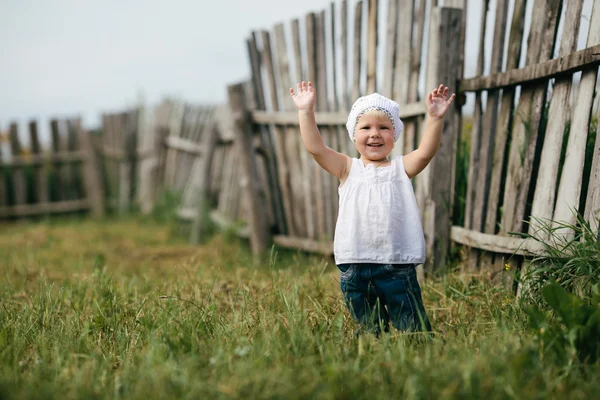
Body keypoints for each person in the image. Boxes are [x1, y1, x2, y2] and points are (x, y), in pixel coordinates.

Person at [289, 81, 455, 334]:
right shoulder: (347, 168)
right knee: (369, 328)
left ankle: (418, 352)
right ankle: (373, 354)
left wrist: (434, 118)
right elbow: (316, 148)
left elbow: (425, 153)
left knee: (414, 328)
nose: (375, 133)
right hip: (354, 264)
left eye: (384, 128)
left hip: (396, 264)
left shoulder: (401, 169)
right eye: (366, 127)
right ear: (354, 135)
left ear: (395, 135)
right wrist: (305, 111)